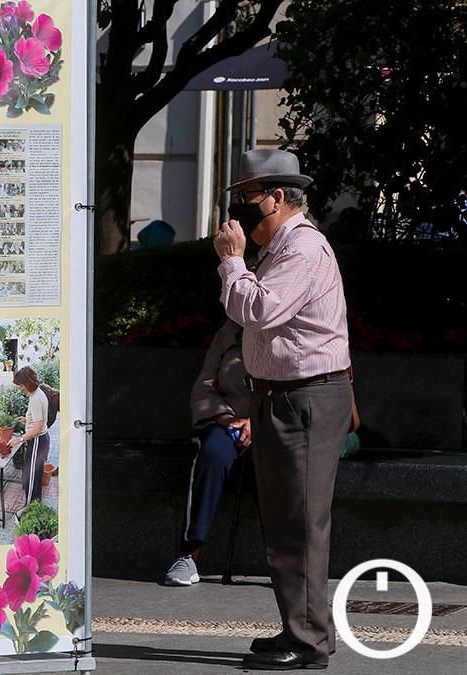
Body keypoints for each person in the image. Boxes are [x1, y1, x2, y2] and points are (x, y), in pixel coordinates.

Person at [214, 149, 350, 671]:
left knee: (301, 524)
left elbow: (259, 309)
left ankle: (310, 640)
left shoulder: (303, 248)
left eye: (248, 199)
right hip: (280, 396)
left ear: (276, 197)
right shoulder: (280, 246)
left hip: (306, 399)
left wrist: (231, 261)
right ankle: (300, 627)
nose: (242, 211)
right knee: (284, 521)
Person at [162, 319, 252, 587]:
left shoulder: (289, 326)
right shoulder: (230, 331)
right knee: (212, 453)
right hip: (226, 421)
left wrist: (258, 422)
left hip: (274, 424)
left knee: (281, 464)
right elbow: (204, 386)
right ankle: (189, 554)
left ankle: (290, 560)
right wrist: (224, 417)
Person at [4, 366, 51, 509]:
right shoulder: (37, 394)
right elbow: (39, 420)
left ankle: (29, 509)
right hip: (41, 440)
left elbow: (37, 428)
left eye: (21, 386)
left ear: (27, 383)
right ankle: (34, 506)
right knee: (34, 477)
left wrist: (20, 438)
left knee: (31, 478)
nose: (20, 389)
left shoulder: (36, 398)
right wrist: (26, 419)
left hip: (37, 440)